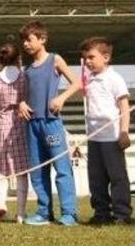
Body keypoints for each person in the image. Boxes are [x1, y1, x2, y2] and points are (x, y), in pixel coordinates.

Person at [19, 21, 81, 226]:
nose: (26, 44)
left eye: (29, 39)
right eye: (24, 40)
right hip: (32, 125)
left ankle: (69, 213)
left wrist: (61, 98)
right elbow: (25, 95)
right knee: (37, 170)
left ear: (42, 39)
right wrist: (21, 104)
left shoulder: (55, 59)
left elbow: (77, 83)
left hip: (51, 122)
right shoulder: (27, 69)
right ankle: (44, 212)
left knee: (61, 168)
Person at [80, 36, 131, 225]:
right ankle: (101, 212)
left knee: (117, 177)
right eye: (85, 58)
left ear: (106, 57)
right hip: (94, 138)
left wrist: (124, 132)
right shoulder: (90, 80)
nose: (88, 61)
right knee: (96, 178)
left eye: (91, 57)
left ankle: (122, 214)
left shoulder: (114, 79)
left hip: (111, 137)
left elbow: (124, 107)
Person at [0, 43, 30, 223]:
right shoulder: (25, 77)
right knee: (22, 171)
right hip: (22, 121)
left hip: (2, 123)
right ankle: (21, 212)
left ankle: (1, 203)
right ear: (18, 58)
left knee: (1, 169)